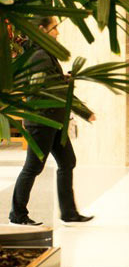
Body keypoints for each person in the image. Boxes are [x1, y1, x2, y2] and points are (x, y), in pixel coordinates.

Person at [9, 16, 95, 226]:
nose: (57, 32)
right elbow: (48, 91)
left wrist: (62, 79)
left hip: (53, 120)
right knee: (33, 167)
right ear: (42, 30)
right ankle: (17, 215)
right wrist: (83, 110)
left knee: (67, 162)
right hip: (42, 121)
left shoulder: (42, 53)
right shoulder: (39, 55)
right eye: (54, 28)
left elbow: (50, 84)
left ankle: (68, 212)